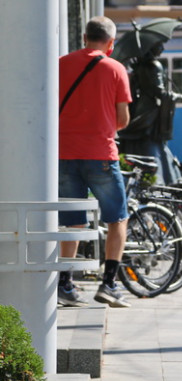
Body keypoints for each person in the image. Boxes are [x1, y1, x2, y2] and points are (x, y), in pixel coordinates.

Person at [57, 16, 133, 308]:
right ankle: (109, 284)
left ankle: (65, 284)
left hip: (63, 153)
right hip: (100, 154)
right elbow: (123, 119)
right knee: (117, 218)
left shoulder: (61, 64)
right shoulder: (115, 68)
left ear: (85, 37)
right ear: (111, 43)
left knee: (72, 220)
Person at [118, 42, 182, 185]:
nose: (163, 48)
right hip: (150, 113)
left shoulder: (140, 67)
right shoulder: (154, 66)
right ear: (151, 47)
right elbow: (160, 93)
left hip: (141, 110)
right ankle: (159, 180)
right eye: (159, 45)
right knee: (154, 149)